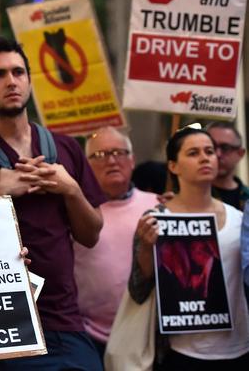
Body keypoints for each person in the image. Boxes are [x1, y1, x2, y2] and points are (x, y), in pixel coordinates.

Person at [0, 36, 105, 370]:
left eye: (18, 72)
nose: (11, 81)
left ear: (30, 81)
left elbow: (91, 235)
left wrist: (70, 189)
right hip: (2, 326)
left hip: (67, 323)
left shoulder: (66, 148)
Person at [130, 127, 249, 368]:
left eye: (209, 151)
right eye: (193, 153)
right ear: (173, 166)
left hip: (240, 349)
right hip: (180, 353)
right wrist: (145, 247)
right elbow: (138, 290)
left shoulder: (240, 219)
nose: (205, 158)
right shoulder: (156, 219)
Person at [73, 126, 158, 358]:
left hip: (146, 335)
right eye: (100, 155)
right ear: (86, 166)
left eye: (119, 153)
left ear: (132, 160)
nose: (111, 161)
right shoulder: (76, 210)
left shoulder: (158, 206)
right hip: (89, 337)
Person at [207, 121, 249, 211]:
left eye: (225, 148)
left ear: (240, 153)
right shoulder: (190, 197)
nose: (217, 154)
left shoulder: (247, 197)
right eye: (211, 147)